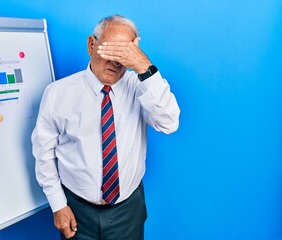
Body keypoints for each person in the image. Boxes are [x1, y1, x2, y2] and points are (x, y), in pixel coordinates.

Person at [31, 14, 180, 240]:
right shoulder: (57, 93)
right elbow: (44, 153)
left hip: (127, 210)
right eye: (111, 51)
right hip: (76, 210)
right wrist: (57, 204)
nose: (116, 62)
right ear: (92, 45)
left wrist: (143, 66)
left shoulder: (142, 87)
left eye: (124, 54)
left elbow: (169, 123)